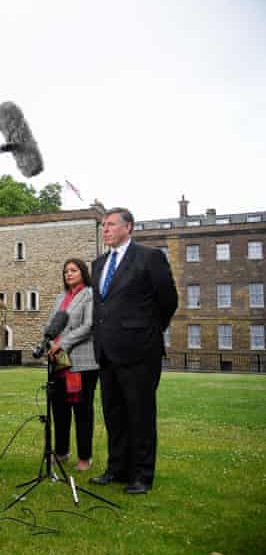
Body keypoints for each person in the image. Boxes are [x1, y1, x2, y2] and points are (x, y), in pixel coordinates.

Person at [89, 207, 177, 495]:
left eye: (111, 224)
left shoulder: (150, 257)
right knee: (114, 415)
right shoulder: (99, 264)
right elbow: (101, 307)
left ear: (129, 227)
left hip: (140, 352)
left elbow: (168, 301)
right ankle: (117, 469)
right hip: (106, 351)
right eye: (103, 225)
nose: (105, 229)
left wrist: (145, 333)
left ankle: (142, 476)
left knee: (139, 415)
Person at [45, 259, 99, 472]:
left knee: (82, 411)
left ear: (82, 273)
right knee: (59, 410)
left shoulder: (90, 295)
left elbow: (89, 326)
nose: (68, 274)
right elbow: (50, 325)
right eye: (66, 271)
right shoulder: (60, 298)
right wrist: (51, 343)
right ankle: (61, 451)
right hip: (59, 364)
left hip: (81, 364)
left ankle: (85, 457)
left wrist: (62, 343)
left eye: (73, 270)